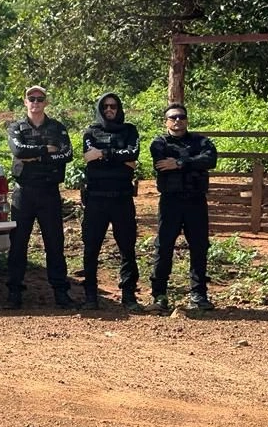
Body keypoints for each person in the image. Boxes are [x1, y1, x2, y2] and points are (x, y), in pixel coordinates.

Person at [5, 85, 75, 309]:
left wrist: (35, 156)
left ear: (46, 102)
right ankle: (14, 293)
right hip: (23, 192)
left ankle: (61, 293)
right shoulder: (16, 127)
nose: (35, 102)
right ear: (25, 102)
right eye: (31, 98)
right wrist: (46, 150)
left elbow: (67, 154)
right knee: (18, 244)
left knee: (54, 243)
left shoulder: (57, 127)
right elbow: (19, 152)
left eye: (40, 98)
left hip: (49, 191)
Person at [149, 103, 218, 313]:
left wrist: (179, 163)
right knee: (164, 247)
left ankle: (199, 294)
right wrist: (192, 162)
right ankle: (159, 295)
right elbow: (162, 164)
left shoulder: (201, 141)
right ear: (166, 122)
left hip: (196, 201)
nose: (177, 120)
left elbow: (210, 159)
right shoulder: (159, 143)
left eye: (181, 117)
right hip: (170, 201)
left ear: (187, 120)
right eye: (173, 117)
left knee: (199, 246)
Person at [79, 93, 141, 311]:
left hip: (122, 198)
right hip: (96, 199)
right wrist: (119, 158)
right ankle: (90, 296)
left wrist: (103, 154)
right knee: (91, 248)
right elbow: (89, 158)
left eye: (113, 106)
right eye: (105, 106)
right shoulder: (90, 132)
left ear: (119, 108)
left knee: (127, 248)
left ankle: (129, 295)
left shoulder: (129, 130)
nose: (109, 110)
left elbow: (133, 154)